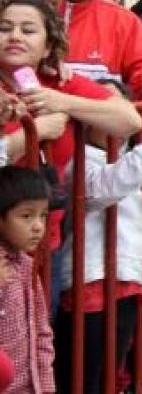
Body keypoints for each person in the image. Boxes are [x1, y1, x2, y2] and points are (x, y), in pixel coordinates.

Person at [54, 114, 142, 394]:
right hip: (89, 280)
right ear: (88, 122)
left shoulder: (138, 164)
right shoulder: (79, 162)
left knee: (108, 375)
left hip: (127, 282)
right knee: (82, 377)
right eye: (110, 114)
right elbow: (103, 188)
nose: (119, 123)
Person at [0, 0, 142, 250]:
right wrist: (35, 133)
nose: (15, 36)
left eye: (28, 30)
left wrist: (64, 103)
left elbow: (130, 120)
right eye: (4, 28)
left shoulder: (61, 83)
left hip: (44, 244)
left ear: (47, 47)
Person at [0, 166, 54, 393]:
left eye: (43, 215)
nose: (38, 226)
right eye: (26, 216)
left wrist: (46, 386)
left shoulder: (27, 266)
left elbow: (41, 331)